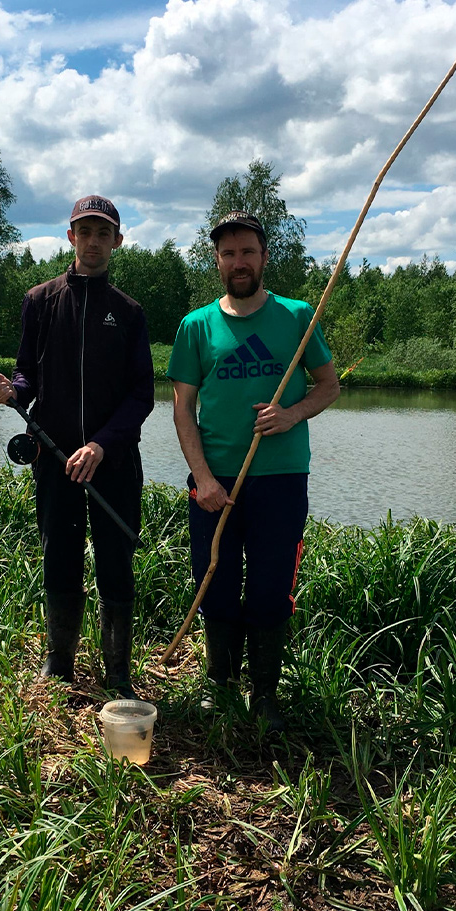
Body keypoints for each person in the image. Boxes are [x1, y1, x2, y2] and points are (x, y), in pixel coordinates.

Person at [168, 210, 340, 732]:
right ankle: (219, 686)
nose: (238, 261)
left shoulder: (297, 316)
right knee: (214, 580)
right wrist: (205, 479)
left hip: (282, 479)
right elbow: (182, 410)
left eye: (247, 251)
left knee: (269, 586)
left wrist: (290, 415)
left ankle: (264, 693)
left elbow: (328, 386)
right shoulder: (195, 326)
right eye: (228, 253)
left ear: (265, 257)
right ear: (216, 261)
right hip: (216, 481)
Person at [0, 195, 155, 698]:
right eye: (85, 231)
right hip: (54, 457)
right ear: (70, 237)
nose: (94, 242)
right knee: (58, 553)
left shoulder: (128, 312)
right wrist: (11, 391)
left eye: (104, 233)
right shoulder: (39, 300)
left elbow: (141, 394)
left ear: (117, 242)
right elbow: (26, 375)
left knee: (115, 559)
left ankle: (117, 671)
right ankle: (59, 662)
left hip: (113, 461)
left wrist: (103, 445)